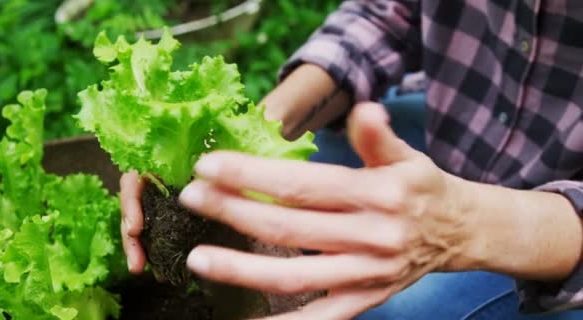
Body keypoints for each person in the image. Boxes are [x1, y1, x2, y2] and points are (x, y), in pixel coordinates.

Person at [120, 1, 583, 319]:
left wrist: (464, 226)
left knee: (388, 310)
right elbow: (387, 14)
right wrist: (247, 136)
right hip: (463, 128)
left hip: (559, 241)